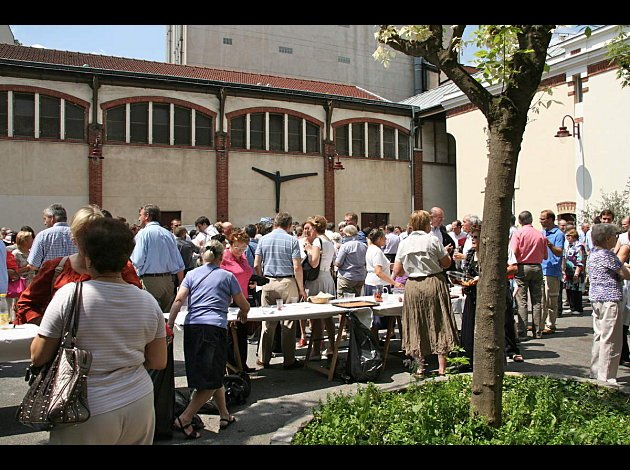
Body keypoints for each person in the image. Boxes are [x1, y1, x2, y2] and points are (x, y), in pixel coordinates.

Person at [30, 217, 167, 444]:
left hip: (84, 404)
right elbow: (159, 360)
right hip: (139, 401)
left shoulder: (69, 295)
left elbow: (38, 355)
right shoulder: (147, 301)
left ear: (88, 257)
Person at [168, 240, 250, 438]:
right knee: (211, 379)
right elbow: (243, 303)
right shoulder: (227, 276)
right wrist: (244, 313)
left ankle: (224, 415)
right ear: (222, 257)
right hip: (213, 328)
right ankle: (184, 418)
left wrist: (170, 325)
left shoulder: (191, 274)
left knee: (210, 374)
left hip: (192, 327)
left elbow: (179, 300)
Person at [15, 205, 142, 325]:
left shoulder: (122, 268)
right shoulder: (55, 267)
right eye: (84, 236)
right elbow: (26, 304)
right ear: (74, 238)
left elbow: (137, 306)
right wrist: (52, 329)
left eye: (96, 236)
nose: (90, 242)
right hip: (64, 345)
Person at [392, 210, 459, 376]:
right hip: (434, 281)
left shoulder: (404, 243)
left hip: (413, 285)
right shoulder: (433, 240)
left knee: (416, 323)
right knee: (439, 321)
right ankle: (442, 367)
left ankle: (420, 366)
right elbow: (445, 263)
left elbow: (398, 271)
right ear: (425, 224)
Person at [254, 212, 306, 369]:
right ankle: (288, 360)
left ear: (274, 224)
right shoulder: (292, 240)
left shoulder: (263, 239)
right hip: (287, 282)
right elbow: (297, 266)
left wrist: (261, 279)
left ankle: (264, 358)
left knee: (267, 323)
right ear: (289, 225)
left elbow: (256, 264)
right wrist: (301, 288)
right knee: (288, 323)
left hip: (268, 281)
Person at [586, 223, 630, 384]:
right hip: (610, 299)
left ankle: (596, 372)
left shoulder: (593, 253)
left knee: (599, 336)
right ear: (607, 238)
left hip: (596, 299)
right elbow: (625, 274)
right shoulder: (608, 255)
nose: (616, 238)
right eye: (614, 236)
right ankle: (607, 378)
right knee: (611, 339)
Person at [130, 204, 185, 312]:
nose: (139, 218)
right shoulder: (168, 234)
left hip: (149, 281)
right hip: (168, 281)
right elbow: (179, 263)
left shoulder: (143, 233)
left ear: (147, 216)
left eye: (140, 215)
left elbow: (137, 260)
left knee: (150, 317)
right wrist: (180, 283)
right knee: (165, 319)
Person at [302, 215, 337, 360]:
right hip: (327, 277)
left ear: (315, 228)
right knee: (328, 316)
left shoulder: (317, 241)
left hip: (317, 279)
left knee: (315, 316)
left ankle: (316, 349)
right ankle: (332, 346)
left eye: (310, 228)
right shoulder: (329, 240)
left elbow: (314, 263)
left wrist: (308, 250)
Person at [220, 229, 255, 372]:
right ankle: (232, 366)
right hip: (229, 300)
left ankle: (243, 364)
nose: (240, 250)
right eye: (237, 247)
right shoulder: (224, 258)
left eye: (243, 247)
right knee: (230, 335)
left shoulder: (243, 257)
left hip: (243, 298)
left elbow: (246, 273)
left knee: (241, 333)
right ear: (230, 244)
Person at [510, 210, 548, 339]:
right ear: (531, 220)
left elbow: (514, 251)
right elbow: (545, 255)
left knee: (522, 300)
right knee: (537, 301)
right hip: (537, 266)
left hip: (522, 267)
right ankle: (538, 331)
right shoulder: (540, 234)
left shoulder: (518, 233)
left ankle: (523, 331)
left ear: (520, 221)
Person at [364, 228, 403, 337]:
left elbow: (382, 266)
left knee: (374, 313)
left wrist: (395, 266)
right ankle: (375, 338)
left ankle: (377, 337)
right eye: (384, 238)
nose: (386, 240)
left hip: (373, 282)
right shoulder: (376, 251)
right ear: (380, 239)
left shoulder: (371, 249)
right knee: (378, 313)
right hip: (378, 285)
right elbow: (378, 271)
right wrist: (394, 283)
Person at [27, 203, 78, 270]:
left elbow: (33, 265)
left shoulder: (42, 235)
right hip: (75, 277)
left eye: (45, 219)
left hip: (50, 278)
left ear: (52, 218)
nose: (44, 223)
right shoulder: (78, 234)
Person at [539, 209, 566, 335]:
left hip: (552, 269)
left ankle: (551, 324)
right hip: (542, 267)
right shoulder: (542, 232)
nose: (541, 221)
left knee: (551, 299)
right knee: (542, 299)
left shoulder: (558, 234)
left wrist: (549, 245)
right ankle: (540, 323)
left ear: (550, 219)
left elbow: (559, 251)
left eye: (543, 219)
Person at [335, 224, 367, 297]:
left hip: (347, 277)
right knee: (356, 300)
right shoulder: (364, 245)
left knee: (343, 300)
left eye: (343, 234)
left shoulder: (345, 246)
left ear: (347, 234)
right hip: (360, 277)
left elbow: (338, 263)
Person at [562, 228, 586, 315]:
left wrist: (577, 273)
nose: (567, 237)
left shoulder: (579, 246)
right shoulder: (568, 245)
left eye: (569, 235)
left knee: (576, 290)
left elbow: (580, 260)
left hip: (576, 270)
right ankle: (572, 307)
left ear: (574, 236)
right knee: (569, 289)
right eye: (566, 235)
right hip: (568, 271)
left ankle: (578, 308)